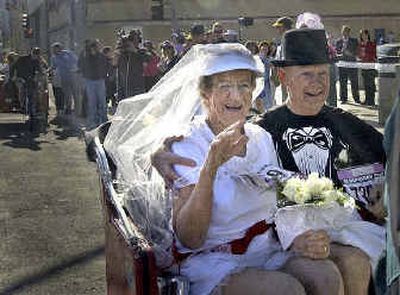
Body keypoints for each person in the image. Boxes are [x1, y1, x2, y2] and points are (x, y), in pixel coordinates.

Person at [151, 29, 386, 295]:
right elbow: (190, 238)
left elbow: (277, 199)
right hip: (216, 258)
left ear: (254, 90)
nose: (236, 96)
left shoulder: (262, 136)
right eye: (224, 86)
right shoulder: (259, 129)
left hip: (274, 245)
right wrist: (209, 165)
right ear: (205, 95)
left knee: (329, 277)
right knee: (289, 288)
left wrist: (386, 189)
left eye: (243, 86)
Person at [78, 39, 108, 129]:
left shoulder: (101, 55)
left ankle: (104, 121)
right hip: (90, 81)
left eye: (96, 46)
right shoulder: (85, 55)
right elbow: (80, 65)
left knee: (102, 102)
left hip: (100, 80)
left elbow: (105, 65)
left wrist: (104, 74)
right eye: (93, 46)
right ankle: (93, 122)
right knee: (92, 103)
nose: (95, 48)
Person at [51, 42, 79, 115]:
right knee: (67, 94)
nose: (53, 51)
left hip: (72, 76)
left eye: (55, 49)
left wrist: (74, 69)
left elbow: (76, 61)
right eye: (53, 49)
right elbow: (54, 66)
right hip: (63, 77)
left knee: (75, 93)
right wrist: (50, 70)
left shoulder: (68, 53)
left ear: (59, 48)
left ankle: (78, 109)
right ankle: (68, 108)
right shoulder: (54, 57)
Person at [336, 25, 360, 104]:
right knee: (343, 82)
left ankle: (356, 98)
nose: (344, 33)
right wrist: (341, 53)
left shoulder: (354, 41)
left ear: (349, 32)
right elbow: (336, 52)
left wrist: (351, 54)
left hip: (352, 64)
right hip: (342, 65)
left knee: (354, 82)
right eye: (343, 31)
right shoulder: (338, 41)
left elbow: (357, 52)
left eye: (346, 31)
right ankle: (343, 98)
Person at [271, 16, 293, 103]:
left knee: (288, 96)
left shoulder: (289, 38)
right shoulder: (285, 37)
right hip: (284, 71)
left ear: (284, 27)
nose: (277, 30)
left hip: (288, 72)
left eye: (278, 27)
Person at [358, 29, 377, 106]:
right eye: (362, 35)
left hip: (370, 66)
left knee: (371, 84)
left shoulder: (372, 44)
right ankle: (367, 100)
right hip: (363, 66)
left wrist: (366, 55)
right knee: (365, 84)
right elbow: (358, 54)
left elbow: (374, 54)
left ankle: (372, 101)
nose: (363, 36)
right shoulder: (360, 44)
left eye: (365, 34)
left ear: (367, 35)